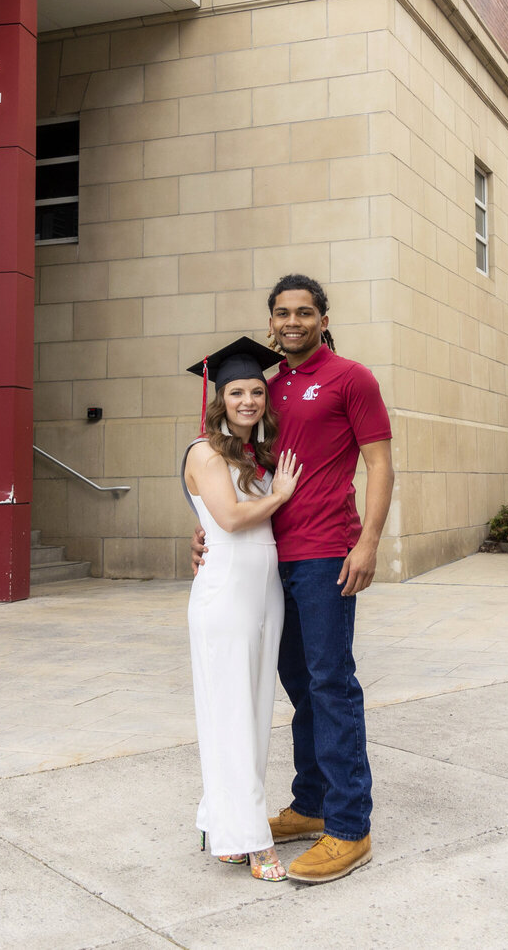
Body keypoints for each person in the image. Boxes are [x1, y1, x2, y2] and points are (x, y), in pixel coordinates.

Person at [193, 274, 394, 884]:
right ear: (271, 320)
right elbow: (236, 474)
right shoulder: (267, 387)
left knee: (331, 684)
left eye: (304, 312)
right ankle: (310, 803)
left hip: (326, 553)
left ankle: (349, 826)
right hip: (269, 559)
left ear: (324, 319)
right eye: (282, 313)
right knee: (299, 686)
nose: (292, 323)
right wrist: (204, 528)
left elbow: (380, 463)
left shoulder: (352, 378)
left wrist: (369, 541)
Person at [181, 337, 301, 882]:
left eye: (256, 391)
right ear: (220, 398)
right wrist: (280, 495)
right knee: (231, 714)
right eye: (236, 392)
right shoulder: (203, 451)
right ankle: (253, 840)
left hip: (264, 591)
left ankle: (221, 823)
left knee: (252, 714)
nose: (248, 400)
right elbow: (228, 519)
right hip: (226, 593)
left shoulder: (259, 455)